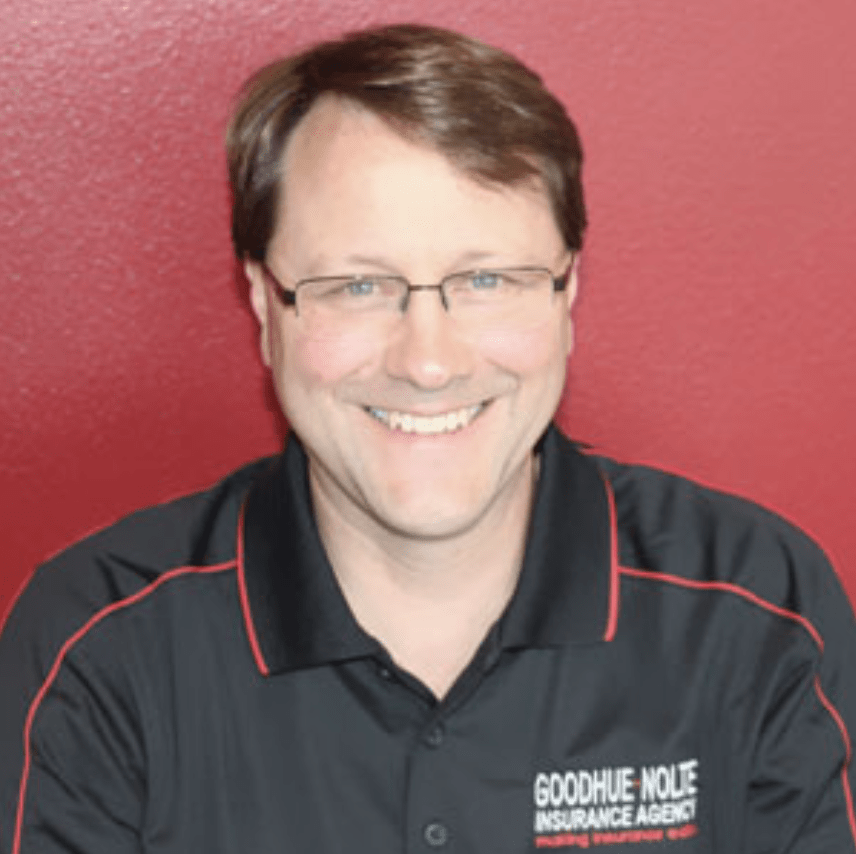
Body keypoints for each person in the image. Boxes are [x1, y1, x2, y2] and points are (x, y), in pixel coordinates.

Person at [1, 22, 854, 854]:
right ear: (265, 304)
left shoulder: (763, 612)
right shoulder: (95, 650)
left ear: (566, 294)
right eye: (358, 286)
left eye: (486, 279)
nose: (428, 362)